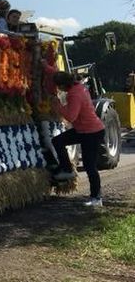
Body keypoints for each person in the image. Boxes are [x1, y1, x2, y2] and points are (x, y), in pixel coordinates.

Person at [50, 71, 105, 206]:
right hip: (83, 130)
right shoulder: (78, 87)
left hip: (91, 132)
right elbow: (55, 72)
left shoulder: (75, 94)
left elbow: (71, 117)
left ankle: (96, 198)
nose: (58, 89)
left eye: (59, 86)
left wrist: (58, 106)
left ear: (63, 84)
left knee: (89, 165)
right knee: (57, 141)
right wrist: (46, 66)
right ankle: (67, 169)